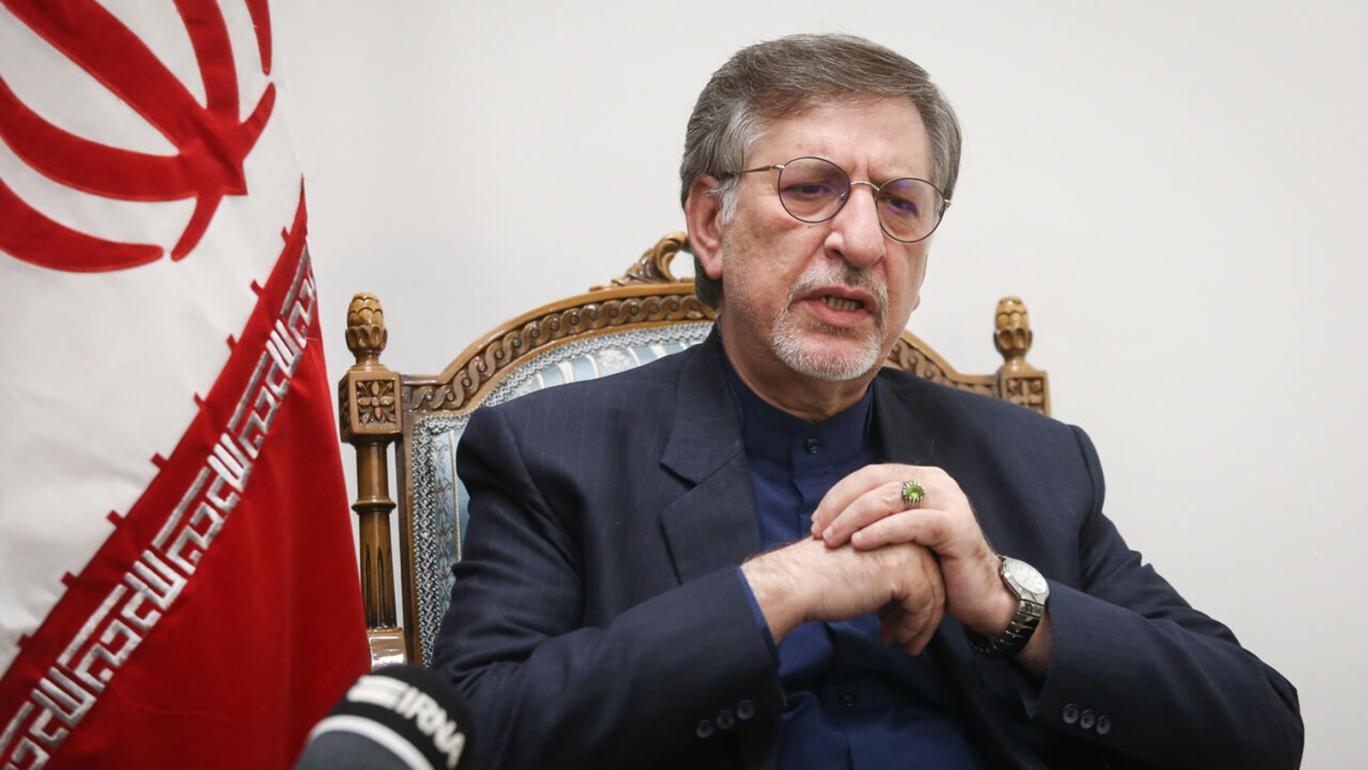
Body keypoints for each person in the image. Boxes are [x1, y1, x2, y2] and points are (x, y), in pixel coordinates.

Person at [431, 33, 1303, 770]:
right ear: (710, 223)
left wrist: (1008, 605)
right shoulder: (553, 451)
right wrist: (783, 588)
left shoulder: (1032, 460)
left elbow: (1260, 728)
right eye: (810, 187)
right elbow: (470, 734)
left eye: (900, 202)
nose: (859, 240)